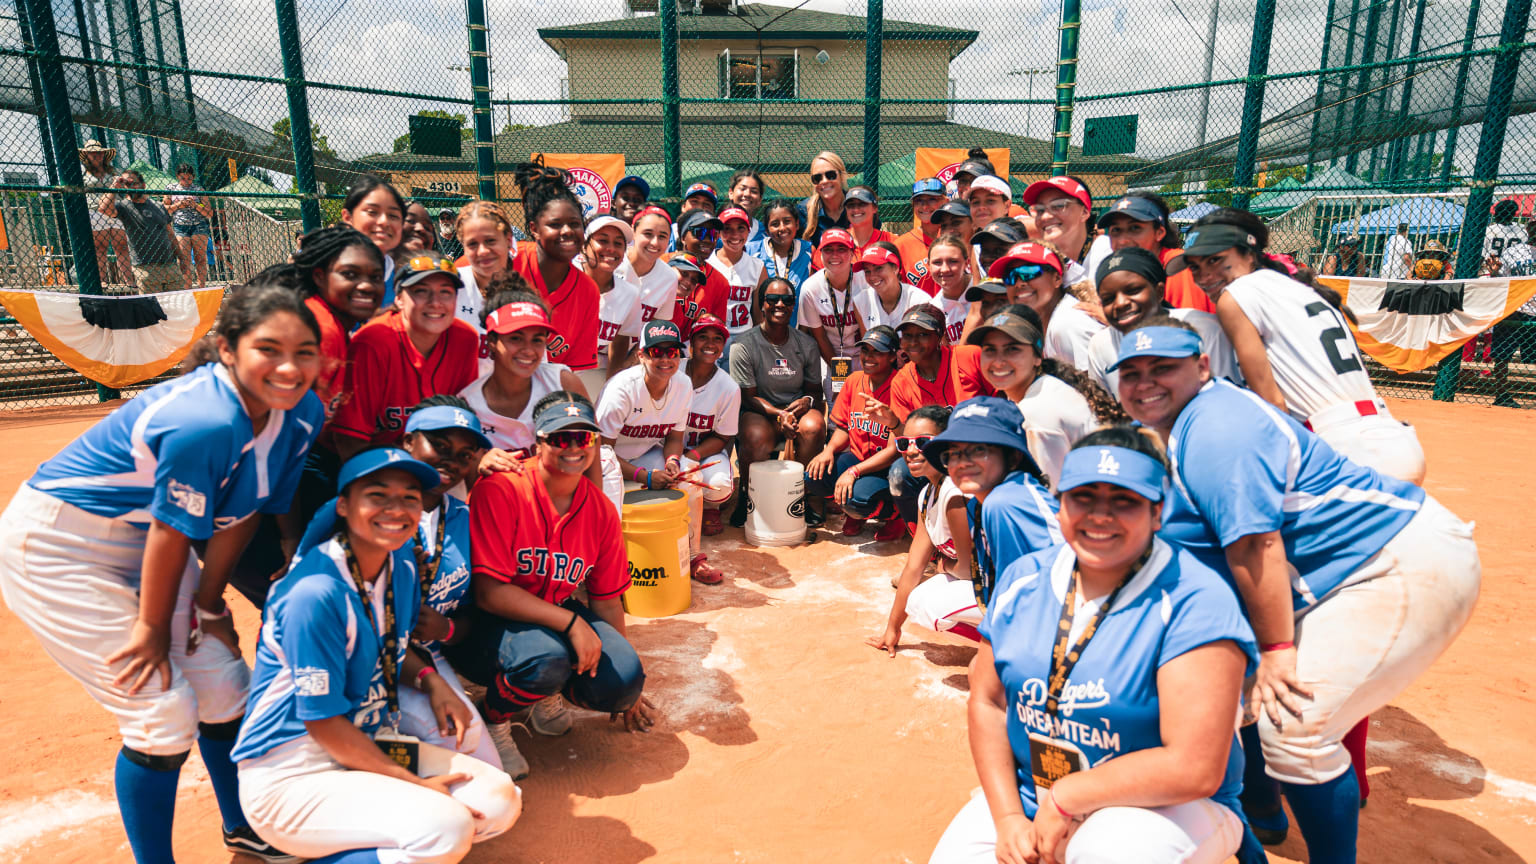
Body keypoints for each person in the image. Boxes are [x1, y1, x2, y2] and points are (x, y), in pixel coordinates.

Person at [1111, 321, 1481, 864]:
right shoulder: (1186, 423)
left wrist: (1277, 651)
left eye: (1163, 368)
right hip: (1344, 572)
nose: (1146, 383)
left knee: (1295, 727)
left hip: (1394, 563)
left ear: (1203, 366)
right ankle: (1262, 817)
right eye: (1133, 373)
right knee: (1237, 696)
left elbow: (1256, 548)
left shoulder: (1216, 427)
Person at [0, 273, 325, 864]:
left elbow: (240, 517)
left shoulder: (301, 415)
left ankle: (245, 828)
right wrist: (153, 630)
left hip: (144, 545)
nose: (289, 368)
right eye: (268, 351)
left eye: (304, 353)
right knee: (159, 711)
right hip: (58, 549)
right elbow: (174, 532)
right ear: (227, 349)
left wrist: (206, 606)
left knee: (224, 687)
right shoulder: (205, 417)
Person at [929, 427, 1256, 864]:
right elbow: (988, 701)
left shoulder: (1195, 600)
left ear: (1157, 513)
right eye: (1083, 497)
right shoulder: (1025, 578)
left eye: (1124, 500)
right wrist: (1008, 818)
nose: (1101, 515)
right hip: (1033, 794)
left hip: (1164, 806)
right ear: (1060, 504)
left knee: (1109, 851)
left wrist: (1068, 797)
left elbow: (1193, 767)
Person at [233, 449, 521, 863]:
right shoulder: (314, 592)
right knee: (447, 827)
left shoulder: (399, 567)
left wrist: (431, 681)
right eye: (378, 495)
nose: (396, 508)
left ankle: (341, 843)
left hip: (368, 742)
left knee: (499, 800)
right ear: (344, 506)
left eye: (409, 497)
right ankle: (305, 843)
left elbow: (387, 648)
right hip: (293, 769)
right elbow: (322, 723)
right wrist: (411, 784)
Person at [447, 392, 655, 778]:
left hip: (549, 611)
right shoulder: (503, 488)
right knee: (545, 659)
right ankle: (494, 718)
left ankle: (543, 693)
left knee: (622, 681)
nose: (573, 447)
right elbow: (489, 592)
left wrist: (629, 678)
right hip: (485, 623)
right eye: (560, 438)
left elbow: (607, 600)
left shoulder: (599, 510)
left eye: (584, 437)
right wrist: (572, 625)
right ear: (538, 441)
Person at [292, 401, 503, 773]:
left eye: (464, 454)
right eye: (440, 445)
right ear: (409, 442)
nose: (451, 461)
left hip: (423, 658)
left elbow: (477, 608)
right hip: (356, 661)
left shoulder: (463, 519)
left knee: (481, 762)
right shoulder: (361, 515)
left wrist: (447, 629)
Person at [1182, 213, 1426, 484]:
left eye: (1215, 260)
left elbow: (1273, 407)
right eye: (1194, 267)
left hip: (1341, 451)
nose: (1204, 276)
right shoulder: (1298, 288)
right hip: (1392, 438)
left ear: (1249, 255)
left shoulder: (1236, 296)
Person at [598, 319, 725, 582]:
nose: (666, 358)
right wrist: (644, 476)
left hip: (644, 455)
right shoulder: (621, 390)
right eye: (657, 351)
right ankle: (608, 568)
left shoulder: (682, 384)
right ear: (642, 354)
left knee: (690, 475)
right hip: (607, 461)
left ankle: (691, 557)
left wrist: (672, 461)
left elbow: (675, 437)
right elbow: (601, 451)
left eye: (673, 351)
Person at [331, 252, 480, 460]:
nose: (435, 302)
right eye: (421, 291)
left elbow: (463, 420)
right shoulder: (372, 342)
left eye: (445, 292)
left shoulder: (465, 339)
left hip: (437, 459)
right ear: (399, 299)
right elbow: (349, 438)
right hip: (375, 462)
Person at [920, 396, 1060, 616]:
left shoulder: (1004, 502)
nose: (963, 462)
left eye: (978, 450)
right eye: (953, 453)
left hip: (1065, 621)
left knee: (931, 606)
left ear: (1013, 457)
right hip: (1045, 612)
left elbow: (1022, 604)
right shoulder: (981, 503)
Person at [968, 305, 1126, 489]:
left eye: (1012, 349)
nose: (998, 361)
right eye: (990, 350)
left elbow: (1051, 499)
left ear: (1037, 357)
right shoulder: (1041, 389)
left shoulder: (1036, 413)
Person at [867, 405, 976, 652]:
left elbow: (968, 570)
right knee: (916, 602)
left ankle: (1011, 643)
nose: (912, 451)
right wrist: (892, 630)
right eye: (905, 443)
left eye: (923, 442)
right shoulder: (928, 494)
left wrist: (945, 566)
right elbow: (914, 567)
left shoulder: (956, 493)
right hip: (981, 580)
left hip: (1007, 585)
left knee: (931, 609)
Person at [729, 278, 826, 527]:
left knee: (814, 426)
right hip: (760, 409)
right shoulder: (743, 345)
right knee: (753, 434)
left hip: (797, 409)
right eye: (772, 299)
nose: (780, 304)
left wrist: (805, 402)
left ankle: (806, 494)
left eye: (787, 300)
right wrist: (779, 414)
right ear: (762, 305)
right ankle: (748, 496)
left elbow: (814, 391)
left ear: (794, 306)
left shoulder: (806, 344)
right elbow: (748, 397)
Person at [1086, 246, 1238, 394]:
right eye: (1108, 299)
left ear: (1159, 292)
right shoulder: (1100, 344)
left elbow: (1226, 396)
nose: (1120, 303)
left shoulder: (1204, 329)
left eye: (1133, 291)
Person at [805, 325, 902, 538]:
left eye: (878, 351)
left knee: (855, 501)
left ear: (893, 356)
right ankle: (855, 512)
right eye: (866, 350)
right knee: (814, 476)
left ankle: (895, 514)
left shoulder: (901, 385)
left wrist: (853, 472)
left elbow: (894, 450)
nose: (869, 356)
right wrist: (828, 451)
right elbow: (843, 427)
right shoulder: (854, 380)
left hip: (887, 467)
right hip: (858, 457)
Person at [508, 164, 601, 372]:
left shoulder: (587, 291)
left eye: (575, 223)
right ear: (534, 229)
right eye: (555, 224)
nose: (567, 231)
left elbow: (579, 369)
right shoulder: (506, 262)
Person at [988, 240, 1104, 371]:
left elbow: (1094, 388)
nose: (1019, 283)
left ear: (1056, 279)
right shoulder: (1051, 323)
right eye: (1010, 277)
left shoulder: (1067, 325)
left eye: (1029, 272)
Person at [1097, 193, 1212, 313]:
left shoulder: (1178, 266)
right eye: (1116, 230)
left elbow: (1190, 327)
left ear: (1159, 232)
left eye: (1135, 228)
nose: (1123, 241)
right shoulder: (1125, 271)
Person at [680, 314, 741, 537]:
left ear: (723, 346)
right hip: (664, 449)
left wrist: (692, 456)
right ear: (691, 343)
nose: (710, 344)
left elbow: (723, 437)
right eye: (702, 337)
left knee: (720, 485)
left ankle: (708, 507)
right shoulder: (672, 371)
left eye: (717, 339)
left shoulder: (728, 387)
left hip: (702, 452)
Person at [798, 228, 869, 403]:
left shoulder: (865, 280)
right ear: (820, 254)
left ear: (852, 253)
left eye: (842, 249)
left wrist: (867, 366)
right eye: (828, 250)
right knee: (838, 409)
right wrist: (841, 373)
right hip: (834, 357)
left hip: (866, 354)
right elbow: (820, 337)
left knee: (866, 404)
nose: (834, 255)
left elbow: (871, 330)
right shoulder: (811, 288)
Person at [582, 214, 642, 390]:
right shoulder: (566, 279)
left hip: (595, 369)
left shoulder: (630, 294)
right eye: (602, 240)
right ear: (584, 246)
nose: (611, 249)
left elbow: (622, 338)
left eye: (618, 243)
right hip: (553, 366)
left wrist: (611, 382)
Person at [98, 170, 184, 294]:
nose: (130, 187)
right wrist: (114, 186)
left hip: (170, 265)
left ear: (143, 185)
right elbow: (103, 208)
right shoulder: (124, 206)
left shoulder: (158, 205)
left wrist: (181, 258)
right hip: (145, 267)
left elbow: (170, 233)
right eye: (126, 184)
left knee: (179, 306)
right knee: (152, 309)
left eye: (134, 183)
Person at [340, 174, 407, 307]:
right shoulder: (324, 271)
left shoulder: (405, 280)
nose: (384, 222)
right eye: (372, 212)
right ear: (348, 217)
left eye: (393, 215)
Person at [1022, 175, 1096, 291]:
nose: (1045, 216)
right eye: (1040, 209)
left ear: (1084, 212)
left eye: (1059, 205)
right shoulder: (1035, 262)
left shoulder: (1105, 256)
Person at [747, 198, 815, 323]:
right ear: (767, 230)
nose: (782, 228)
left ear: (797, 224)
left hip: (797, 334)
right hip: (762, 332)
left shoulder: (809, 251)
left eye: (787, 221)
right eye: (775, 224)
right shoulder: (752, 251)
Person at [80, 139, 135, 288]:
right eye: (92, 153)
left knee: (122, 246)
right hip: (95, 210)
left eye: (99, 153)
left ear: (104, 155)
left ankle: (129, 280)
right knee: (100, 247)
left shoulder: (114, 171)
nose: (96, 155)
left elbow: (125, 187)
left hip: (115, 209)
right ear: (87, 156)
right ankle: (102, 280)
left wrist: (122, 182)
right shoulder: (82, 173)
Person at [710, 206, 768, 347]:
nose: (734, 235)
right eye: (727, 228)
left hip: (744, 338)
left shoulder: (757, 266)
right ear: (718, 232)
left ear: (749, 231)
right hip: (711, 336)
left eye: (741, 228)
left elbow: (759, 316)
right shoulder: (708, 263)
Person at [618, 206, 681, 327]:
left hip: (635, 345)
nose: (655, 242)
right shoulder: (613, 262)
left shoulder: (669, 278)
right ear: (633, 232)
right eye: (648, 234)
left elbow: (656, 326)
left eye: (662, 236)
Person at [811, 185, 894, 269]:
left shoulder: (891, 241)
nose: (856, 209)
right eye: (851, 205)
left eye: (862, 204)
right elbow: (817, 277)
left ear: (874, 208)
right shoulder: (833, 240)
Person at [854, 242, 928, 332]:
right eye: (867, 271)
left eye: (878, 268)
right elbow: (866, 344)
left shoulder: (919, 301)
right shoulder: (861, 301)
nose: (872, 277)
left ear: (895, 268)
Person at [163, 163, 212, 290]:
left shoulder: (199, 189)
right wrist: (180, 204)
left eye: (189, 178)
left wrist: (195, 205)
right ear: (177, 177)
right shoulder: (170, 188)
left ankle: (201, 287)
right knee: (183, 260)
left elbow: (209, 212)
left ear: (193, 177)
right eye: (183, 178)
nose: (186, 182)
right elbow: (165, 209)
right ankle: (187, 288)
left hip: (199, 226)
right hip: (180, 226)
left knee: (200, 258)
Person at [895, 178, 949, 287]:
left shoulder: (957, 236)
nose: (924, 206)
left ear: (946, 201)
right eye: (919, 200)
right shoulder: (901, 245)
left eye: (932, 199)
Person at [922, 233, 972, 342]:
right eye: (937, 262)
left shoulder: (984, 291)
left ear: (967, 263)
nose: (944, 269)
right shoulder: (933, 310)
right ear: (928, 266)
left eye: (953, 261)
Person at [804, 150, 850, 245]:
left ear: (841, 176)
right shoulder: (803, 212)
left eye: (831, 175)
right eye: (817, 178)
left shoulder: (859, 207)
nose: (824, 181)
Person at [727, 168, 768, 242]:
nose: (747, 194)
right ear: (731, 193)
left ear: (760, 199)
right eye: (742, 189)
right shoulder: (717, 228)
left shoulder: (765, 233)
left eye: (754, 191)